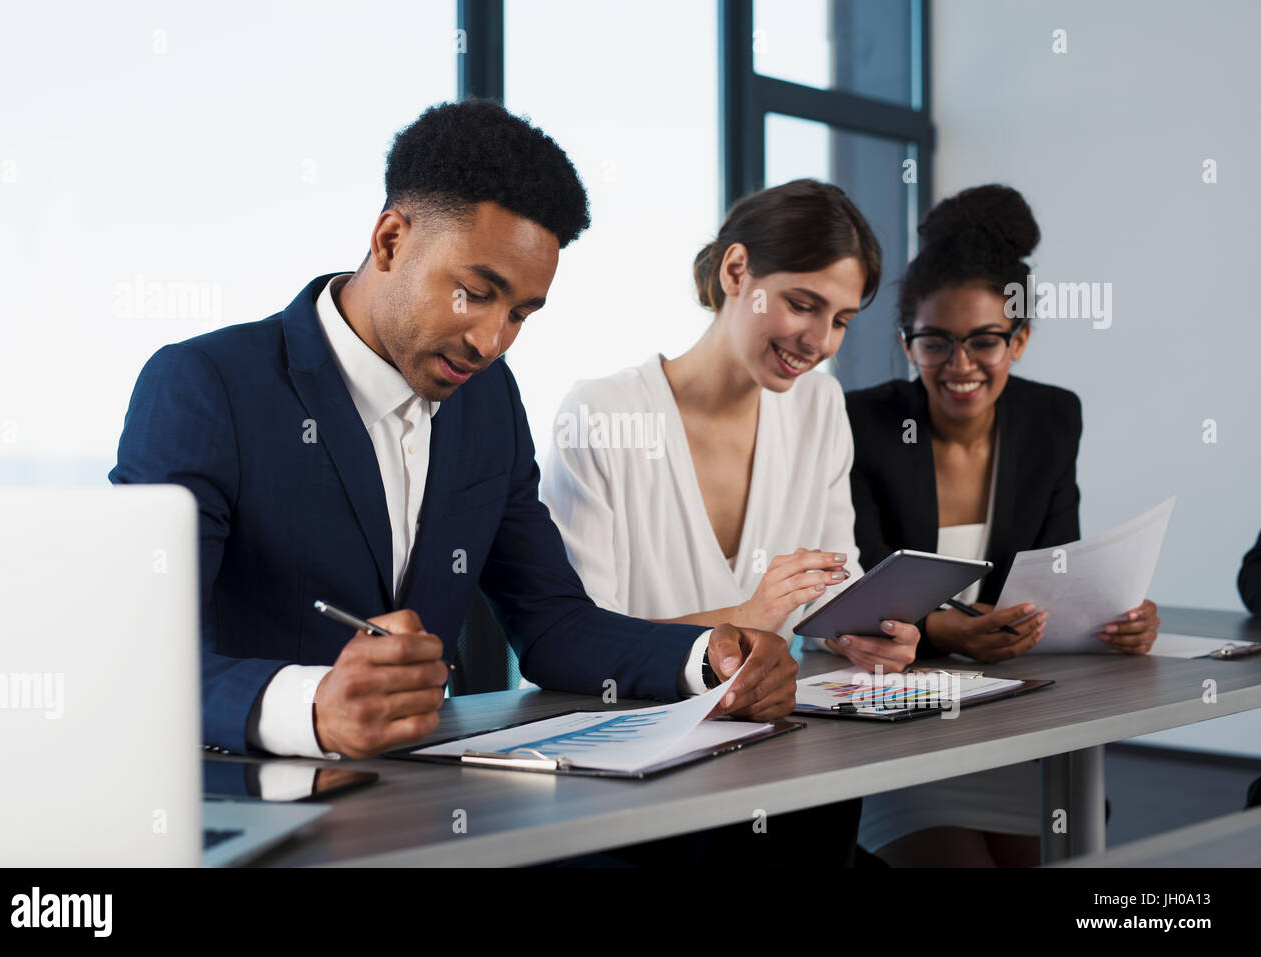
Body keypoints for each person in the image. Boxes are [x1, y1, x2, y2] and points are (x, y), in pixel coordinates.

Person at [109, 99, 796, 765]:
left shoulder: (488, 399)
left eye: (522, 313)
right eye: (475, 292)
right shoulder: (205, 386)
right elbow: (140, 657)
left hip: (430, 806)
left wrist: (708, 656)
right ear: (390, 240)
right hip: (249, 812)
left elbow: (553, 625)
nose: (492, 339)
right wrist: (314, 705)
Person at [540, 179, 923, 865]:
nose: (818, 341)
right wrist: (743, 614)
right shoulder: (601, 413)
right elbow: (577, 644)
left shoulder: (817, 407)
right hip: (635, 781)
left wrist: (863, 629)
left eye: (839, 319)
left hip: (770, 760)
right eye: (803, 304)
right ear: (736, 270)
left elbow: (833, 581)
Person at [846, 183, 1160, 867]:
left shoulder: (1051, 419)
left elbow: (1060, 572)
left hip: (1015, 720)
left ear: (1018, 339)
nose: (960, 366)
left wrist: (1119, 614)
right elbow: (864, 581)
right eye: (935, 342)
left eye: (985, 341)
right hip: (903, 730)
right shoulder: (865, 423)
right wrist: (943, 629)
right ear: (907, 343)